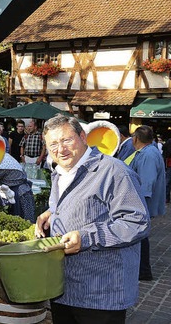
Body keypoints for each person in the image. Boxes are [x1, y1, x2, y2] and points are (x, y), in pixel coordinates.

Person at [35, 114, 148, 324]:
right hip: (63, 288)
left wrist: (86, 237)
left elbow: (137, 222)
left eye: (66, 140)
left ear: (83, 137)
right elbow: (78, 202)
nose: (61, 149)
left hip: (100, 293)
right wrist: (52, 212)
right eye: (53, 144)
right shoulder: (61, 171)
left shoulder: (114, 171)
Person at [127, 125, 165, 281]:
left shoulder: (148, 155)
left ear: (135, 138)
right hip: (142, 202)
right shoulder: (149, 151)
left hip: (141, 203)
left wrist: (137, 204)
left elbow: (147, 184)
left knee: (140, 237)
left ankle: (143, 271)